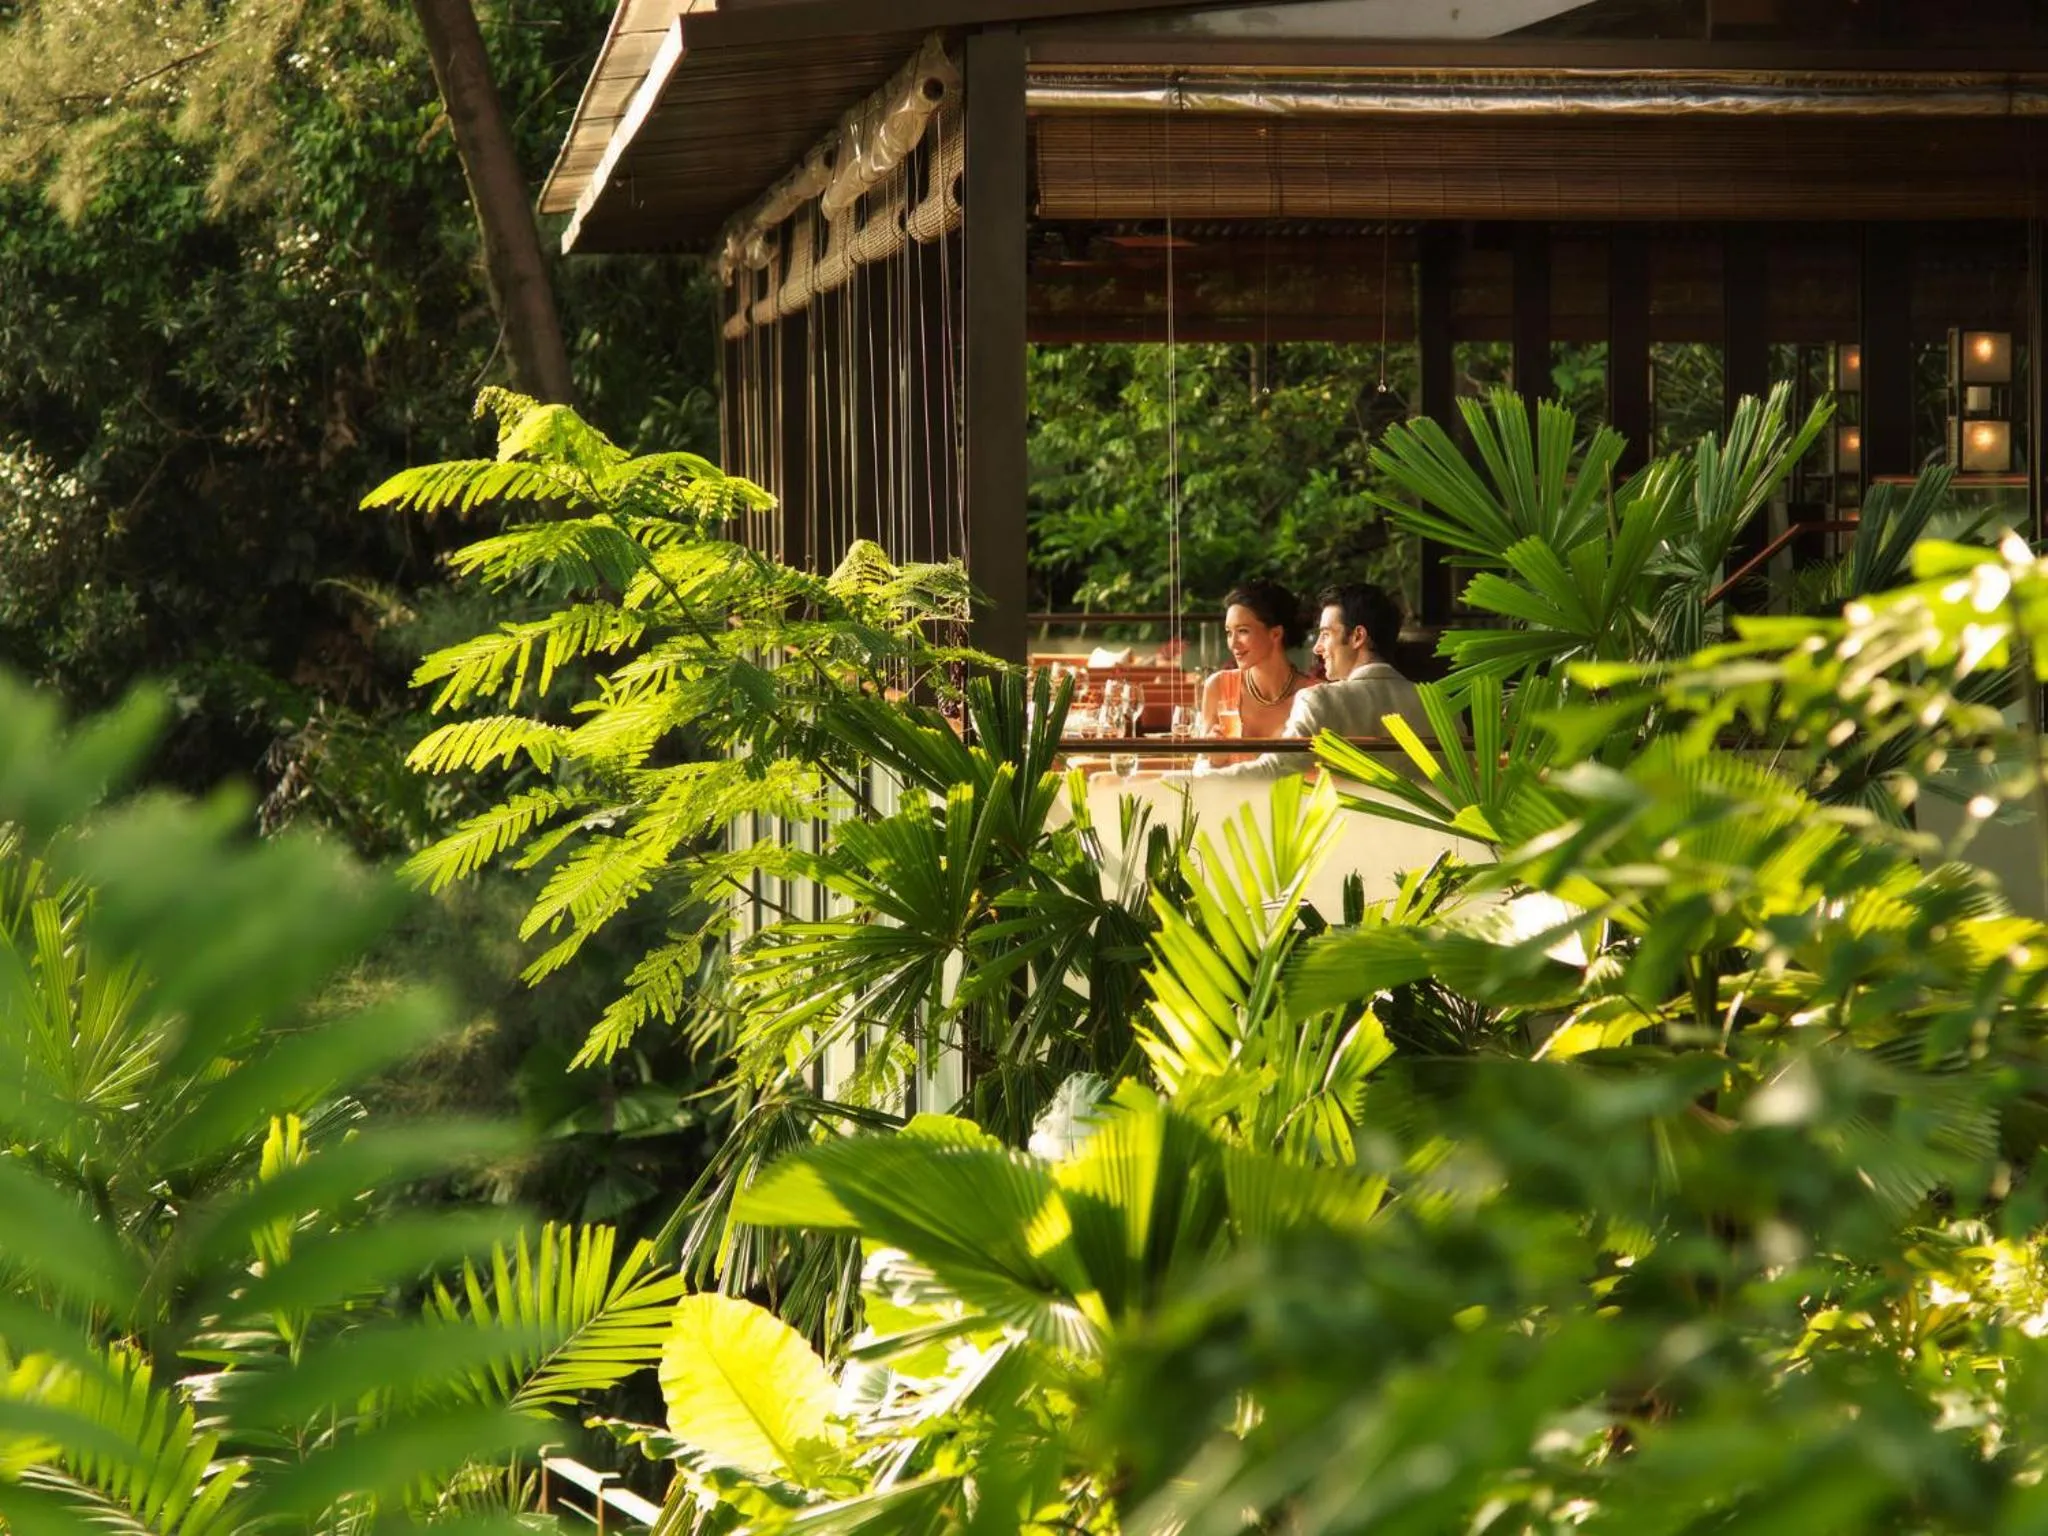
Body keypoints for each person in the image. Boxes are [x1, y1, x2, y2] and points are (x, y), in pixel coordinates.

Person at [1179, 583, 1429, 782]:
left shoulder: (1320, 698)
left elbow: (1276, 771)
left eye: (1326, 634)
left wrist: (1199, 777)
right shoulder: (1438, 704)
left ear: (1358, 637)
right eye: (1228, 632)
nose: (1318, 648)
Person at [1200, 579, 1317, 741]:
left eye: (1242, 631)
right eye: (1228, 633)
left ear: (1275, 634)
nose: (1233, 643)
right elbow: (1201, 763)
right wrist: (1214, 757)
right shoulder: (1218, 687)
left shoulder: (1316, 695)